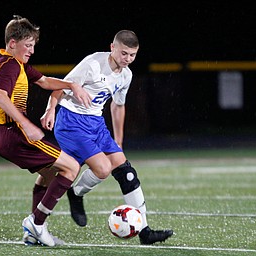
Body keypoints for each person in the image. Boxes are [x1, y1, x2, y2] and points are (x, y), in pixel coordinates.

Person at [40, 30, 173, 244]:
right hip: (71, 121)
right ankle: (75, 194)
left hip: (96, 124)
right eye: (124, 53)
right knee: (102, 169)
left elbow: (118, 106)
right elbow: (61, 86)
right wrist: (50, 109)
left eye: (132, 55)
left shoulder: (126, 75)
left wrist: (118, 141)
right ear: (112, 47)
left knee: (126, 172)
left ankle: (145, 232)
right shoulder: (93, 63)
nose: (127, 59)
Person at [0, 15, 91, 247]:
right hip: (13, 133)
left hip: (5, 135)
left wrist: (71, 84)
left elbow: (44, 81)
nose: (32, 50)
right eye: (28, 45)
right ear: (12, 43)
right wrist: (26, 124)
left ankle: (34, 231)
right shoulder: (11, 65)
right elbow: (0, 96)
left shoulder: (11, 62)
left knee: (51, 172)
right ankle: (37, 222)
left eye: (34, 45)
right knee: (72, 166)